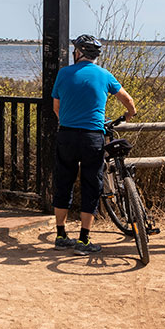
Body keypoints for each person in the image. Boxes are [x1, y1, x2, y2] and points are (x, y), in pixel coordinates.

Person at [51, 34, 137, 255]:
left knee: (64, 181)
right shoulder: (104, 75)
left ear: (78, 53)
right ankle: (84, 239)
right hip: (92, 137)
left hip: (67, 135)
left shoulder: (63, 73)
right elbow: (127, 100)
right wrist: (130, 113)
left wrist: (68, 121)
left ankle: (60, 235)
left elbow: (56, 107)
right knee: (91, 184)